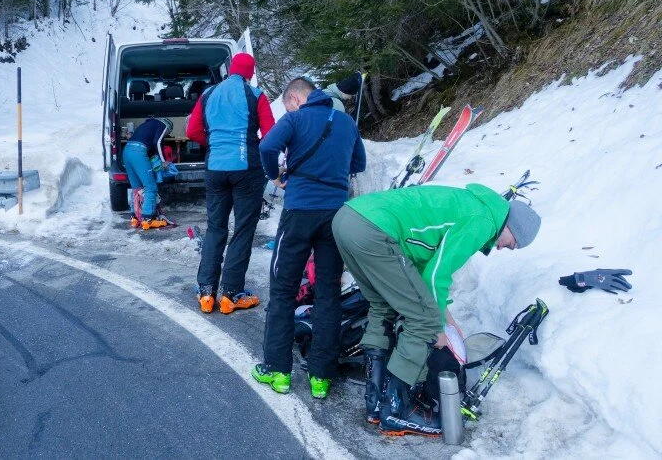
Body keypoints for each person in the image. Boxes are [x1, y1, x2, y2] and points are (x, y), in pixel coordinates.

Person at [331, 184, 542, 437]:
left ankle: (375, 403)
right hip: (375, 230)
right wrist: (437, 324)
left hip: (349, 218)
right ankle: (397, 410)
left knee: (383, 307)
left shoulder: (472, 205)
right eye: (511, 244)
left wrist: (447, 315)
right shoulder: (484, 221)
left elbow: (419, 272)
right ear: (511, 227)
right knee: (423, 320)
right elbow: (436, 274)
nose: (502, 249)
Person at [250, 77, 366, 399]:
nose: (289, 109)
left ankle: (277, 371)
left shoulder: (295, 118)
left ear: (296, 98)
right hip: (336, 216)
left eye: (288, 104)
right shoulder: (345, 122)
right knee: (327, 292)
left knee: (284, 289)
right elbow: (359, 163)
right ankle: (321, 377)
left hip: (299, 213)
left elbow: (267, 146)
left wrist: (275, 175)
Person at [187, 52, 276, 314]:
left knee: (215, 228)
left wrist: (213, 143)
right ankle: (231, 294)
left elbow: (192, 131)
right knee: (243, 229)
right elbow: (270, 134)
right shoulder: (255, 95)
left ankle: (206, 292)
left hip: (215, 168)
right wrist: (254, 148)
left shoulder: (208, 94)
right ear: (249, 73)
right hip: (246, 168)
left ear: (230, 70)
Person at [122, 117, 174, 229]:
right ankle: (147, 219)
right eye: (166, 134)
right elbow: (158, 142)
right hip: (138, 152)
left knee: (137, 187)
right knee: (150, 187)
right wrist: (164, 161)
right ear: (167, 129)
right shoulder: (162, 126)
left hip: (126, 151)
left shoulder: (147, 125)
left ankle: (135, 217)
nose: (165, 135)